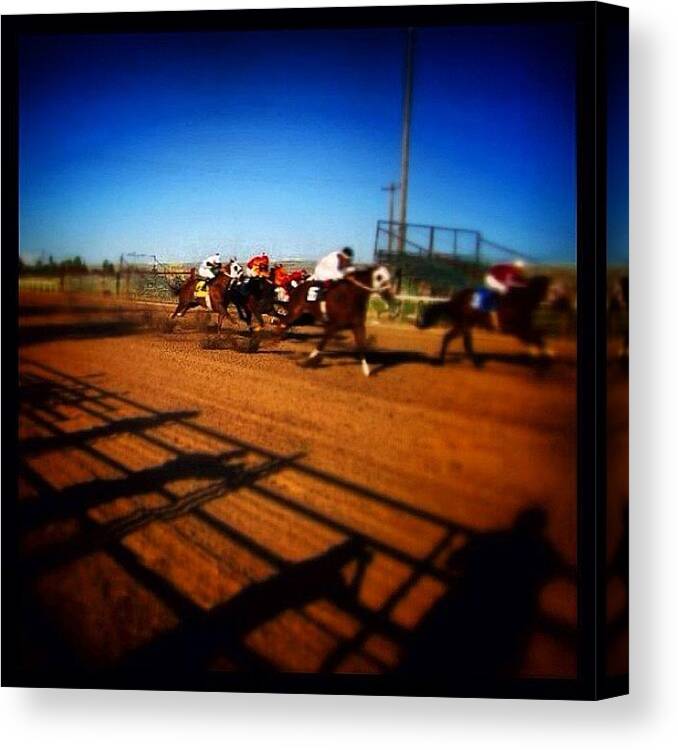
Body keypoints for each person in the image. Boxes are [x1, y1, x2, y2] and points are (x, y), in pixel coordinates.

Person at [483, 259, 527, 330]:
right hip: (490, 278)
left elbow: (519, 282)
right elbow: (509, 284)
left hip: (498, 277)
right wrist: (523, 285)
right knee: (504, 289)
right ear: (516, 267)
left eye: (521, 269)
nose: (520, 270)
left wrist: (524, 285)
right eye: (519, 268)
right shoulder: (510, 270)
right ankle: (498, 306)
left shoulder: (515, 271)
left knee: (507, 289)